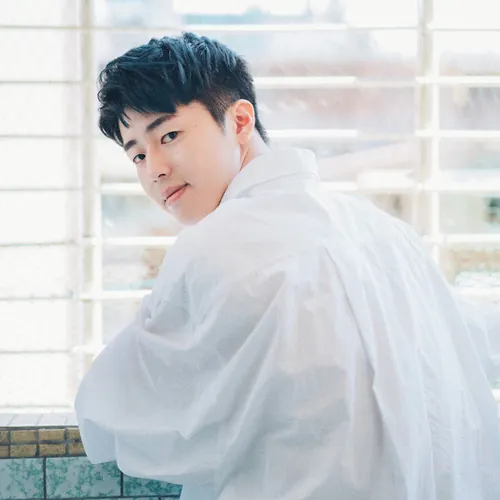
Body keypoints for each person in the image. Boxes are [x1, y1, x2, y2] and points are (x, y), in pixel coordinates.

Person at [75, 32, 500, 500]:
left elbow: (108, 408)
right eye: (137, 154)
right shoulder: (385, 232)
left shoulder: (211, 246)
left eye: (168, 135)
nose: (153, 168)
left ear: (239, 120)